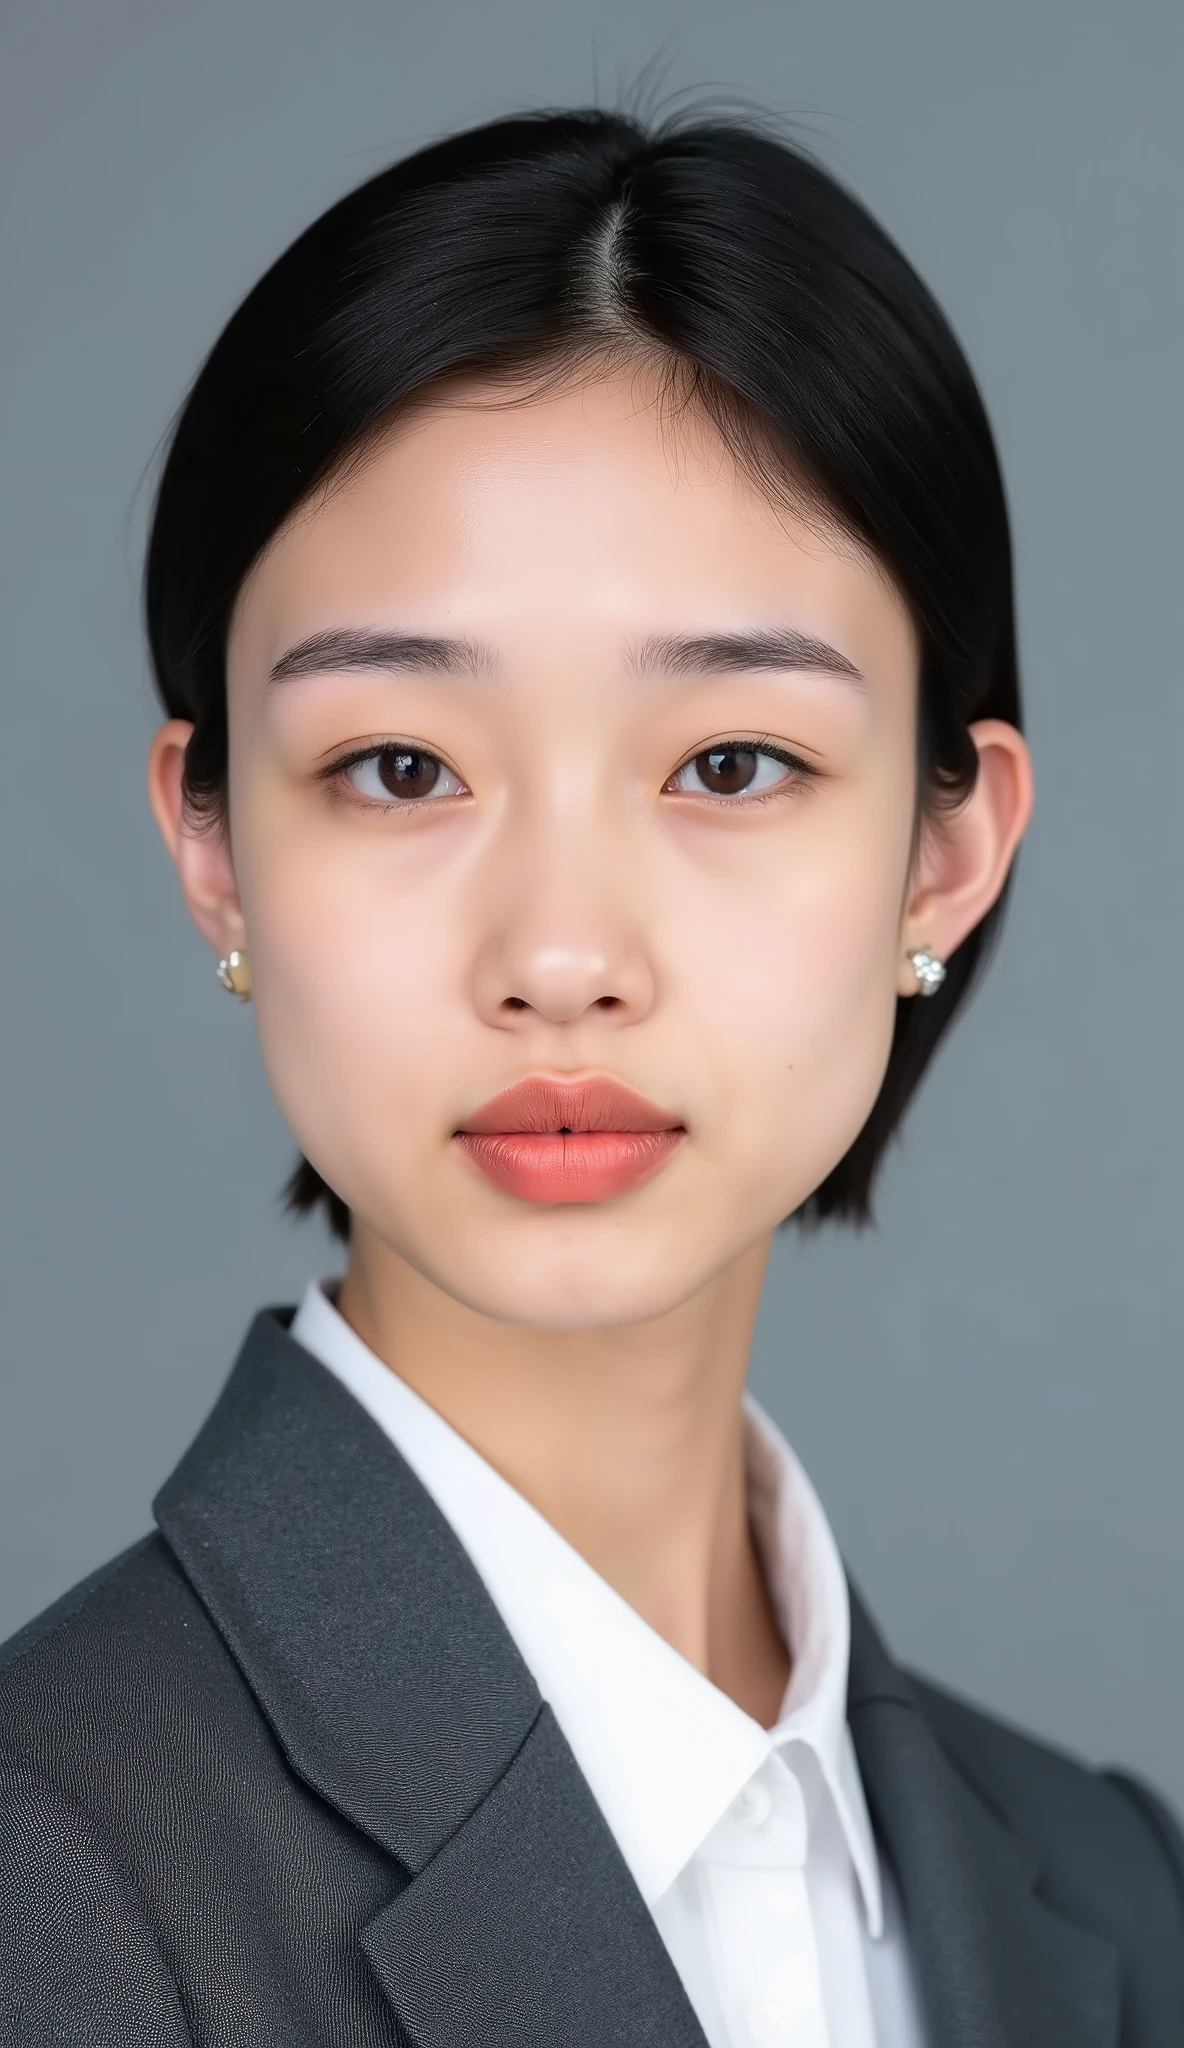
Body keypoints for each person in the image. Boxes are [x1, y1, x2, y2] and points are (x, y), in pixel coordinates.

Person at [1, 105, 1180, 2048]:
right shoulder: (60, 1875)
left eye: (728, 764)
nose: (559, 956)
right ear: (214, 845)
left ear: (945, 853)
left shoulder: (1107, 1890)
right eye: (399, 766)